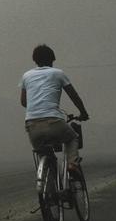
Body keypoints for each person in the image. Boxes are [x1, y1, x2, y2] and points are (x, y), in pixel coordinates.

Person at [19, 44, 89, 172]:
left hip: (32, 124)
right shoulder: (58, 73)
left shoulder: (26, 76)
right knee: (73, 138)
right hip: (54, 121)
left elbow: (24, 102)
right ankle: (72, 164)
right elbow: (74, 96)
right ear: (52, 60)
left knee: (45, 157)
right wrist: (83, 113)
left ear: (35, 60)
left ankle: (47, 187)